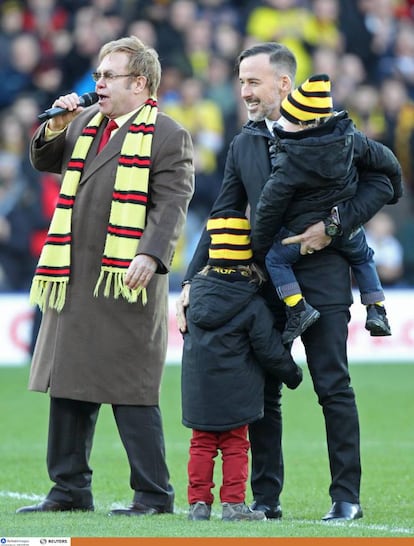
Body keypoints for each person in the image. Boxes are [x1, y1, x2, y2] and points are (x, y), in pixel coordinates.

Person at [175, 42, 400, 522]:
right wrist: (193, 280)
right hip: (263, 278)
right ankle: (266, 500)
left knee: (332, 384)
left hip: (323, 274)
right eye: (240, 82)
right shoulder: (244, 142)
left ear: (283, 83)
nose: (244, 92)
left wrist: (333, 228)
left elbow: (383, 182)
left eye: (253, 82)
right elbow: (224, 215)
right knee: (263, 392)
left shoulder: (335, 131)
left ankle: (346, 498)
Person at [17, 35, 194, 516]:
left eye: (108, 76)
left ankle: (154, 495)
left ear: (140, 83)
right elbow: (44, 160)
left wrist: (152, 255)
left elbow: (172, 204)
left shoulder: (168, 134)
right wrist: (56, 121)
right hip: (75, 279)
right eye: (97, 75)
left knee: (130, 389)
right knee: (69, 387)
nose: (98, 84)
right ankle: (69, 488)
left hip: (124, 279)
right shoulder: (86, 123)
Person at [252, 73, 402, 344]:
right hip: (348, 227)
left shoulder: (291, 158)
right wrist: (397, 191)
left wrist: (259, 248)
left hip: (301, 230)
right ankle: (377, 309)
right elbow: (388, 161)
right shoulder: (351, 139)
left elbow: (269, 206)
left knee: (276, 258)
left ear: (302, 122)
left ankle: (298, 308)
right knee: (364, 257)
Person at [181, 210, 303, 522]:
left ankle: (198, 504)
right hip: (238, 391)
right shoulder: (252, 303)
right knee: (235, 446)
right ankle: (234, 505)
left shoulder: (192, 297)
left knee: (201, 445)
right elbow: (269, 350)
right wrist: (292, 374)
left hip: (199, 390)